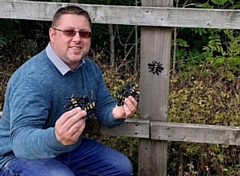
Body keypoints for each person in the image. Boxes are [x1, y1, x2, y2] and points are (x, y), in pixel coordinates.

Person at [0, 5, 137, 176]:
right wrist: (56, 138)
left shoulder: (89, 70)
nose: (77, 39)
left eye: (84, 33)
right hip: (16, 157)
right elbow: (21, 143)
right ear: (52, 34)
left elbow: (104, 108)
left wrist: (117, 113)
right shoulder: (32, 79)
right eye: (69, 32)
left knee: (121, 167)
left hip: (68, 149)